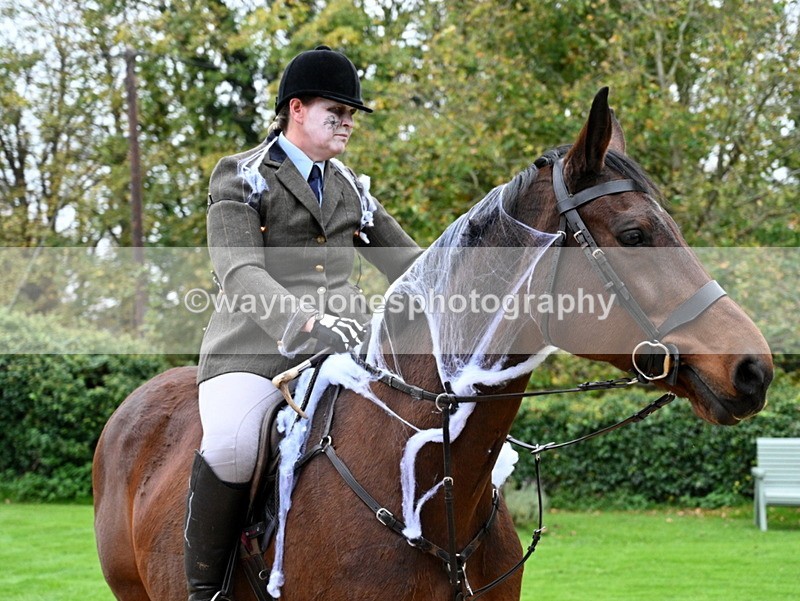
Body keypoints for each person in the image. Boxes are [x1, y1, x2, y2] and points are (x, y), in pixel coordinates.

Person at [183, 45, 421, 601]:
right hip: (255, 351)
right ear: (296, 109)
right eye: (334, 111)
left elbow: (411, 268)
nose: (346, 123)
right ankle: (205, 589)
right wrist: (304, 322)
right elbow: (239, 272)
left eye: (351, 115)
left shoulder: (352, 189)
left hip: (347, 350)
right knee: (232, 445)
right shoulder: (242, 177)